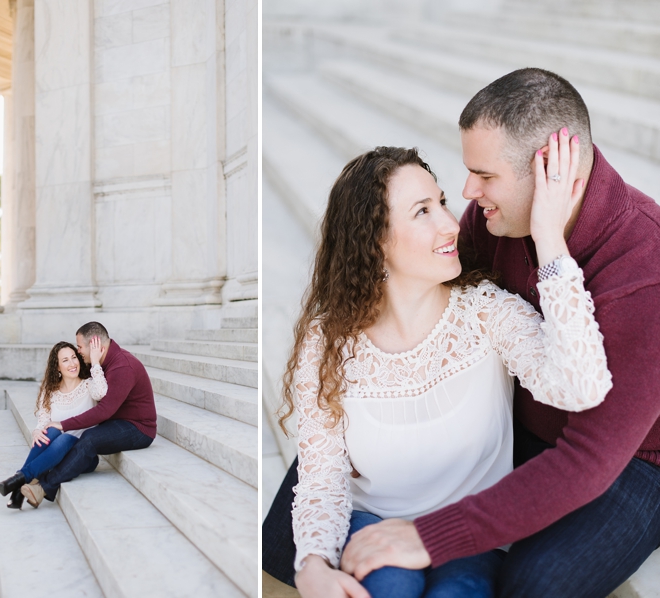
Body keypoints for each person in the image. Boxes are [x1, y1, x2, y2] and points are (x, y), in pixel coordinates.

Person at [335, 68, 660, 597]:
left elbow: (590, 457)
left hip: (631, 461)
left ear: (556, 169)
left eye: (484, 176)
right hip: (520, 419)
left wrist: (429, 536)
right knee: (341, 420)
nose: (468, 192)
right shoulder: (495, 218)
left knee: (536, 581)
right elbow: (423, 292)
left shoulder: (646, 261)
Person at [276, 131, 612, 597]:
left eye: (441, 202)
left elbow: (581, 387)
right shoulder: (328, 343)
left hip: (470, 534)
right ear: (374, 245)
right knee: (387, 589)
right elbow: (321, 477)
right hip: (369, 524)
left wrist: (550, 241)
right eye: (423, 212)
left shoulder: (485, 310)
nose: (452, 224)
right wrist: (311, 565)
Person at [20, 321, 157, 508]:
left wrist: (63, 424)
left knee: (89, 438)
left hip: (138, 428)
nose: (78, 352)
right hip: (117, 420)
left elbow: (104, 410)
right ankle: (27, 476)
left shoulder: (122, 366)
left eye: (79, 347)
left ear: (94, 344)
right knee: (69, 439)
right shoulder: (105, 362)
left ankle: (44, 486)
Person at [0, 339, 107, 509]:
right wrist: (37, 432)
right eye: (65, 360)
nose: (72, 363)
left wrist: (96, 362)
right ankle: (19, 487)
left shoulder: (89, 385)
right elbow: (43, 422)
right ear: (57, 368)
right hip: (56, 454)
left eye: (74, 357)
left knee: (65, 438)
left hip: (83, 457)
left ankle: (18, 479)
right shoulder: (51, 393)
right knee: (51, 432)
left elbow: (102, 392)